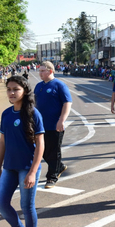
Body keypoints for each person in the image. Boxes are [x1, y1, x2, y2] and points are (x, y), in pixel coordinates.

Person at [0, 76, 45, 226]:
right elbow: (2, 142)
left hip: (28, 167)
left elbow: (40, 144)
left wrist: (32, 172)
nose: (11, 93)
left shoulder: (33, 114)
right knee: (2, 205)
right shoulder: (6, 114)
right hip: (9, 167)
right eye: (9, 89)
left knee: (26, 206)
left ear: (24, 91)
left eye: (16, 89)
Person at [34, 61, 72, 189]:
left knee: (54, 151)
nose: (40, 73)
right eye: (39, 71)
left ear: (50, 71)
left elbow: (67, 103)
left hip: (54, 125)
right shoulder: (38, 86)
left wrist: (62, 120)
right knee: (41, 150)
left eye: (42, 71)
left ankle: (52, 176)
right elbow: (34, 103)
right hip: (40, 125)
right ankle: (59, 166)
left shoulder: (59, 85)